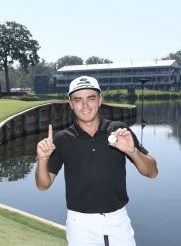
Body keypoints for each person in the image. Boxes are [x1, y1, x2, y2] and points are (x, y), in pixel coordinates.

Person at [35, 76, 158, 246]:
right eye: (78, 100)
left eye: (91, 98)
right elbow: (43, 185)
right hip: (80, 223)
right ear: (71, 103)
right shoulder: (62, 139)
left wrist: (133, 151)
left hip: (118, 220)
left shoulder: (119, 131)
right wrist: (42, 159)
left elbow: (152, 172)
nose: (85, 105)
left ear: (100, 100)